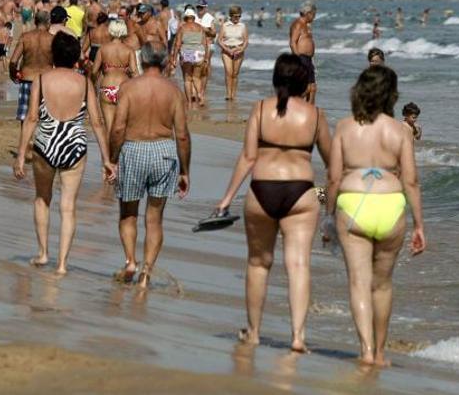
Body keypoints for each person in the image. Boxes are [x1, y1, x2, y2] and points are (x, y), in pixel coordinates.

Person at [214, 53, 331, 353]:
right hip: (303, 193)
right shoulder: (316, 115)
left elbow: (248, 158)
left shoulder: (261, 109)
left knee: (258, 264)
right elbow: (333, 165)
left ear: (276, 79)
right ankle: (298, 337)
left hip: (261, 191)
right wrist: (327, 201)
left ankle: (253, 333)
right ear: (304, 81)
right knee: (299, 264)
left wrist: (226, 199)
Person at [326, 65, 426, 366]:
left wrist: (328, 216)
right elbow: (411, 180)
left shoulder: (344, 127)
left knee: (358, 281)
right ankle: (381, 353)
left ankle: (366, 351)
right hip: (390, 205)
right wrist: (420, 225)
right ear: (391, 95)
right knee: (382, 284)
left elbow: (332, 179)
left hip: (353, 203)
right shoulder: (400, 130)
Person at [13, 33, 115, 274]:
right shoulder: (84, 82)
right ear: (76, 55)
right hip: (74, 144)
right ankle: (61, 265)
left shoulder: (42, 79)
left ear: (53, 54)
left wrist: (20, 154)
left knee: (42, 198)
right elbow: (97, 122)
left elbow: (31, 118)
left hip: (46, 142)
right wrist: (106, 159)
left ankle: (43, 253)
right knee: (68, 206)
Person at [109, 42, 190, 288]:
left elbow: (119, 127)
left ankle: (131, 261)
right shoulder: (174, 91)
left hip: (133, 149)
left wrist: (112, 159)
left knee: (128, 213)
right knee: (154, 218)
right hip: (164, 150)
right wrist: (185, 170)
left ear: (142, 61)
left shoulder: (129, 88)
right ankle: (146, 273)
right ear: (164, 61)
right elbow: (183, 134)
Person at [91, 19, 139, 135]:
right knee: (122, 129)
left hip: (107, 88)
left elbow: (94, 71)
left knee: (109, 129)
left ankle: (108, 153)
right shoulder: (129, 50)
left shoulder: (103, 49)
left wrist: (93, 85)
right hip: (123, 89)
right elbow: (134, 72)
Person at [10, 11, 53, 125]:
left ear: (35, 21)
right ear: (49, 23)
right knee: (45, 116)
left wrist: (13, 74)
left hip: (27, 80)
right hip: (45, 81)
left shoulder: (26, 37)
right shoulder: (52, 39)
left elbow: (13, 61)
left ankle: (27, 140)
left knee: (25, 115)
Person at [170, 7, 208, 108]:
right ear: (194, 18)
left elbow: (177, 44)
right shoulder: (200, 27)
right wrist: (206, 57)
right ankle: (200, 95)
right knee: (196, 77)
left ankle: (190, 102)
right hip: (199, 53)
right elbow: (205, 43)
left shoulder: (182, 28)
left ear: (185, 18)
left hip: (187, 53)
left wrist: (174, 58)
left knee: (187, 79)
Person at [289, 1, 318, 104]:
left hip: (308, 59)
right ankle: (293, 104)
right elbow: (293, 42)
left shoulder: (307, 25)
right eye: (313, 14)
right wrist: (298, 60)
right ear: (308, 13)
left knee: (313, 88)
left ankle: (310, 111)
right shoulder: (298, 24)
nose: (314, 17)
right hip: (301, 58)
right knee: (306, 88)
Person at [218, 6, 248, 101]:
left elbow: (246, 40)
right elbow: (219, 40)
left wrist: (242, 48)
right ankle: (228, 94)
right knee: (228, 72)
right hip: (226, 51)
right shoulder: (225, 25)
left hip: (238, 50)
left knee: (235, 74)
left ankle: (233, 94)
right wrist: (227, 49)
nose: (237, 18)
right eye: (235, 16)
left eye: (239, 16)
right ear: (231, 16)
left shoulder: (242, 26)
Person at [195, 0, 217, 105]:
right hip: (195, 46)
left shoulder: (209, 18)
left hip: (208, 46)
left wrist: (205, 30)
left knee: (203, 69)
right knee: (195, 70)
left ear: (205, 8)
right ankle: (197, 91)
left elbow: (214, 34)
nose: (199, 10)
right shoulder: (193, 17)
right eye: (198, 7)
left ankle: (201, 92)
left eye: (201, 8)